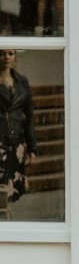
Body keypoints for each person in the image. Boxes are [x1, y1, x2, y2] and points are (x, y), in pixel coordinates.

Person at [0, 49, 36, 203]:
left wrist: (32, 148)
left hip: (16, 146)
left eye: (10, 53)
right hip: (0, 144)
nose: (7, 57)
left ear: (15, 56)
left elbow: (29, 117)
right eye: (2, 53)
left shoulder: (22, 81)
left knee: (11, 192)